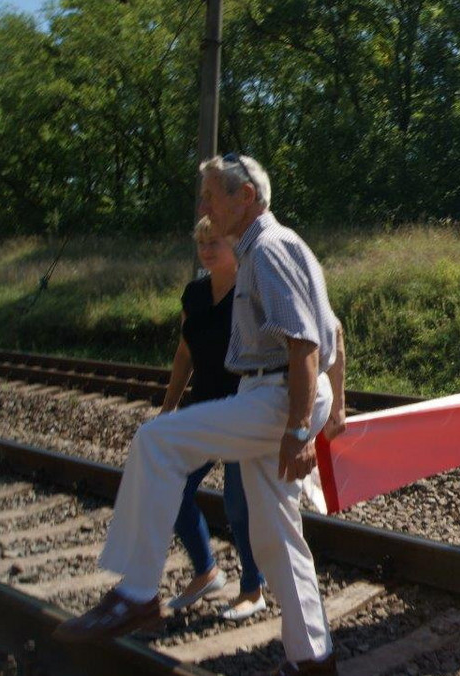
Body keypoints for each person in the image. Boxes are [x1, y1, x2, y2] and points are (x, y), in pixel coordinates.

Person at [55, 154, 347, 676]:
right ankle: (313, 660)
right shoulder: (278, 244)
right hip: (278, 394)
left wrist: (301, 428)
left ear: (246, 199)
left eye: (212, 194)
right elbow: (332, 331)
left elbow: (304, 343)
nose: (204, 205)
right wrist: (325, 408)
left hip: (279, 397)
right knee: (277, 536)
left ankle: (138, 592)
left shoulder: (267, 250)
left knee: (157, 440)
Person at [160, 217, 265, 622]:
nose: (205, 249)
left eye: (214, 241)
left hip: (241, 411)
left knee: (238, 506)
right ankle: (206, 571)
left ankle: (252, 589)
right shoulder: (195, 293)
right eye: (201, 241)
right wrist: (169, 406)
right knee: (173, 487)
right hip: (204, 409)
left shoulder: (250, 291)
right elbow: (185, 353)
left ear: (234, 245)